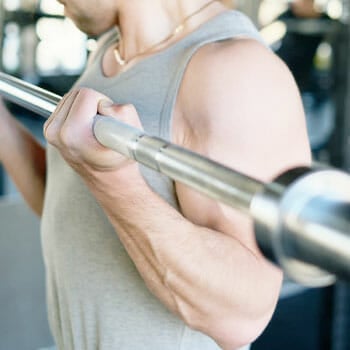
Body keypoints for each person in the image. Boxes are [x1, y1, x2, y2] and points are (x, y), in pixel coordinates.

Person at [0, 0, 311, 349]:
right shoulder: (111, 53)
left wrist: (114, 182)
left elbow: (240, 316)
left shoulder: (234, 67)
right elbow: (68, 207)